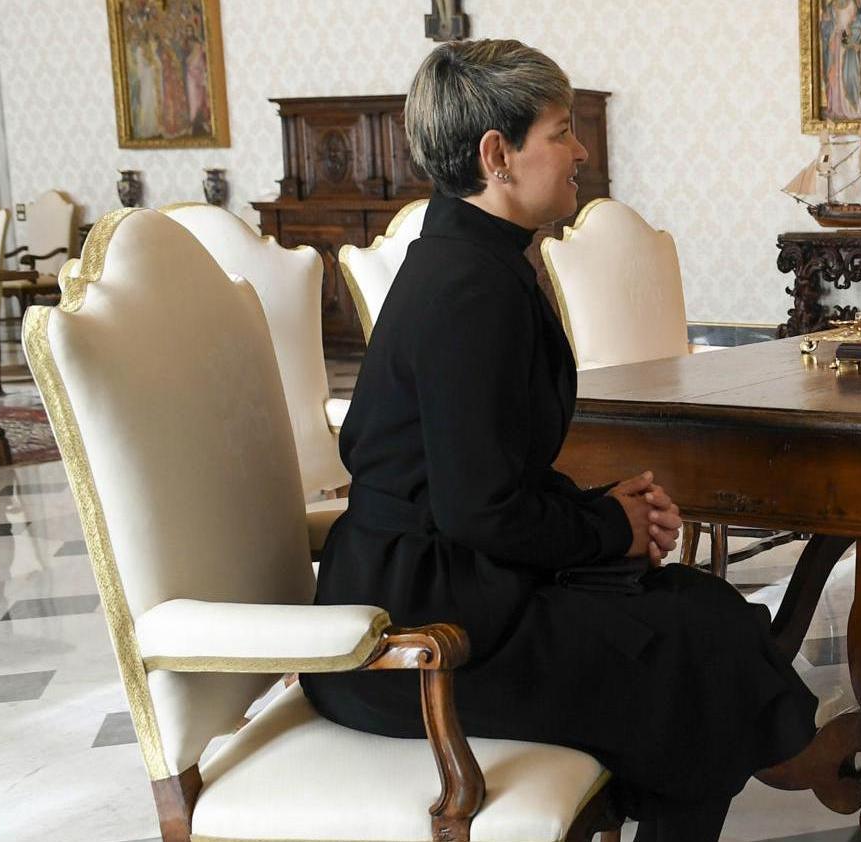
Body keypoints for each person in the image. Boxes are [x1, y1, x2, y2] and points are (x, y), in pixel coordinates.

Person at [301, 40, 818, 842]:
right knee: (697, 646)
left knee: (704, 621)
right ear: (496, 155)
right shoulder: (468, 288)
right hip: (413, 637)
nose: (581, 150)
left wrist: (604, 511)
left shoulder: (474, 261)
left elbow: (484, 480)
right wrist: (612, 527)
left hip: (448, 585)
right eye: (561, 130)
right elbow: (479, 507)